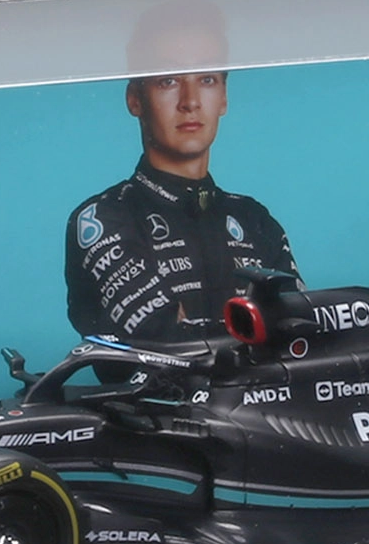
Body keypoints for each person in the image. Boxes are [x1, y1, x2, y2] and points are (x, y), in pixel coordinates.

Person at [64, 63, 305, 345]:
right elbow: (162, 340)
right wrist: (259, 329)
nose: (190, 102)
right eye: (168, 81)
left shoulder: (254, 219)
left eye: (207, 80)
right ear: (135, 99)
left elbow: (300, 330)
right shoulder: (102, 218)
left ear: (223, 98)